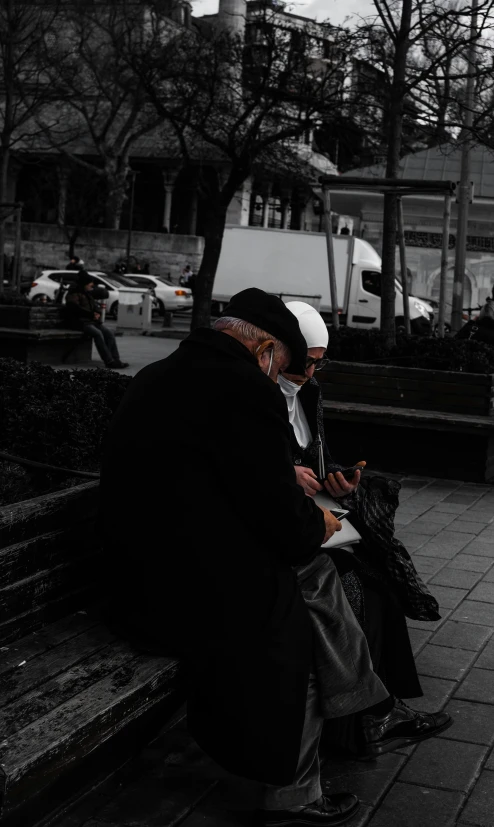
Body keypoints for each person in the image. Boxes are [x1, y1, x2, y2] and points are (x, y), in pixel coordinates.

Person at [99, 289, 448, 826]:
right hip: (185, 589)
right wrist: (321, 524)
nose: (281, 378)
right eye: (281, 365)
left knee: (318, 579)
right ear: (263, 349)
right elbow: (284, 525)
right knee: (298, 623)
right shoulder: (244, 388)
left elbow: (207, 474)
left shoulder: (158, 375)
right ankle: (295, 789)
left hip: (137, 573)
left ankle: (368, 705)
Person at [279, 301, 452, 758]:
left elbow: (316, 459)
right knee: (355, 587)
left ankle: (376, 716)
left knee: (376, 584)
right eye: (307, 360)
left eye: (319, 361)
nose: (312, 372)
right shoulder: (256, 400)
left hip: (307, 523)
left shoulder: (307, 395)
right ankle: (364, 724)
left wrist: (337, 478)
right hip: (285, 535)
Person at [65, 271, 129, 370]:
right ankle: (109, 361)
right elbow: (74, 308)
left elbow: (94, 306)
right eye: (90, 283)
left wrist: (97, 313)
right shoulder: (74, 294)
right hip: (80, 322)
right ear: (84, 284)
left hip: (90, 321)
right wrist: (91, 314)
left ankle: (116, 360)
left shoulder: (86, 293)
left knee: (109, 333)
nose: (92, 285)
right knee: (98, 333)